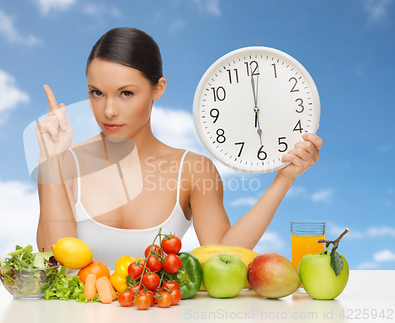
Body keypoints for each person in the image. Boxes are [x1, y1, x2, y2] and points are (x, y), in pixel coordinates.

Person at [35, 27, 323, 269]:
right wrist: (50, 162)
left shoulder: (193, 171)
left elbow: (222, 257)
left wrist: (285, 178)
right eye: (96, 92)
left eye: (126, 93)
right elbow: (54, 262)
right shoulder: (65, 163)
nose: (108, 110)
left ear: (158, 88)